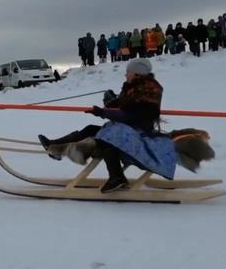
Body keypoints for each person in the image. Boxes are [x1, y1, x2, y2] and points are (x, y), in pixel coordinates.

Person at [38, 58, 175, 193]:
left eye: (128, 71)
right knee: (91, 129)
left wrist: (102, 112)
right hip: (126, 131)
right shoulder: (134, 88)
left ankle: (117, 178)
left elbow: (129, 115)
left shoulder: (147, 91)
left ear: (137, 74)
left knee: (107, 142)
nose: (125, 74)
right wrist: (111, 101)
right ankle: (53, 146)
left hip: (138, 135)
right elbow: (124, 106)